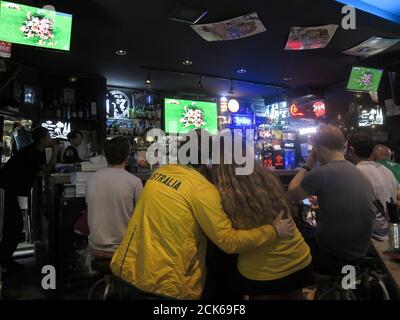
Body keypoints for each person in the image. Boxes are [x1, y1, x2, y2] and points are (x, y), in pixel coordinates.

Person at [110, 132, 295, 300]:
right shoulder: (202, 190)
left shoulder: (158, 174)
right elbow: (228, 241)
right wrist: (274, 231)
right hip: (167, 284)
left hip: (130, 270)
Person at [210, 161, 313, 300]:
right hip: (300, 260)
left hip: (263, 274)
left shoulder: (218, 196)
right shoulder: (267, 180)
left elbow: (230, 241)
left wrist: (272, 231)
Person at [288, 125, 375, 275]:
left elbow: (292, 194)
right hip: (360, 252)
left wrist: (308, 165)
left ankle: (314, 289)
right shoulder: (358, 172)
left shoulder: (322, 173)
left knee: (290, 247)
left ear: (319, 148)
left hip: (332, 253)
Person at [0, 127, 59, 271]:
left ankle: (6, 260)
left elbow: (42, 172)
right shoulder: (32, 152)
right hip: (5, 187)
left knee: (13, 226)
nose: (51, 139)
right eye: (48, 137)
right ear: (42, 140)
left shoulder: (37, 151)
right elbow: (46, 170)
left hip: (11, 188)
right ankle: (5, 261)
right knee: (12, 227)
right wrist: (56, 151)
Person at [86, 136, 143, 258]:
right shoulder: (134, 181)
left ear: (105, 156)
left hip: (95, 247)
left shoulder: (91, 179)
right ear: (127, 156)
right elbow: (140, 216)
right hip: (122, 249)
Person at [346, 132, 400, 235]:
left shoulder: (352, 173)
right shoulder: (386, 170)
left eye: (345, 148)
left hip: (371, 238)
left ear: (351, 150)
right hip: (391, 234)